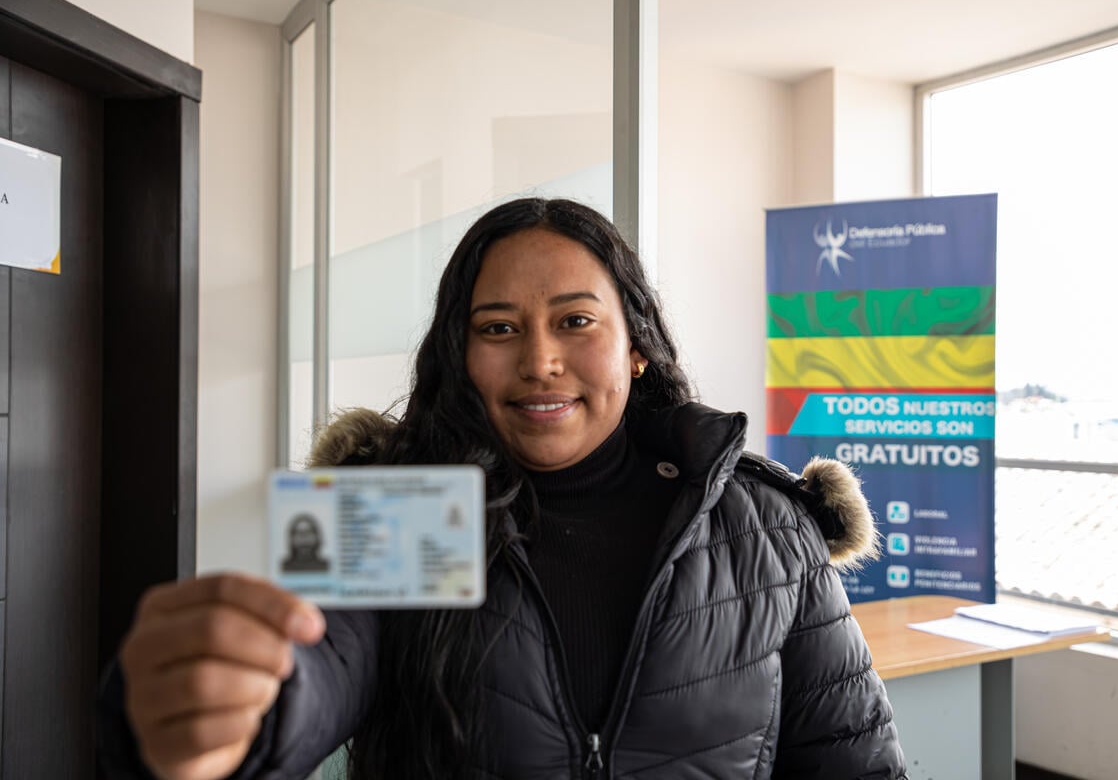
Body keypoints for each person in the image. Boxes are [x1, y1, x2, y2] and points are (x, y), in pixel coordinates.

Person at [98, 198, 906, 779]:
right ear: (461, 357)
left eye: (575, 321)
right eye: (498, 328)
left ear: (636, 349)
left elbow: (854, 761)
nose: (539, 361)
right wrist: (229, 717)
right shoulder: (405, 508)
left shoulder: (762, 523)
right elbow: (317, 673)